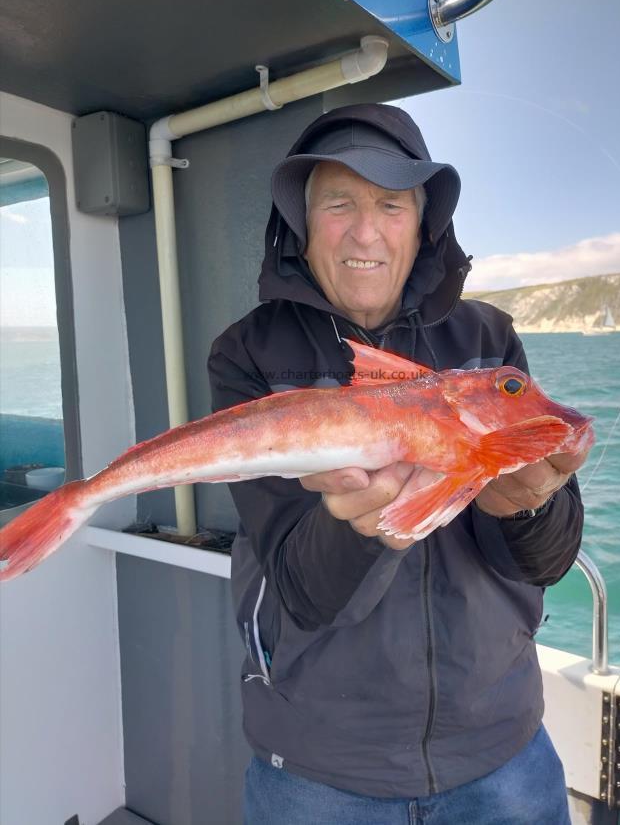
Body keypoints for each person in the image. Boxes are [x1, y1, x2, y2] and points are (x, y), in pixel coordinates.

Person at [208, 103, 589, 824]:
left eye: (390, 204)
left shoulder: (488, 338)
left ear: (421, 225)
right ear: (302, 221)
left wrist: (532, 504)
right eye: (338, 203)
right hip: (320, 771)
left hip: (500, 749)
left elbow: (548, 560)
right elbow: (300, 588)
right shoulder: (249, 354)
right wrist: (366, 525)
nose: (365, 231)